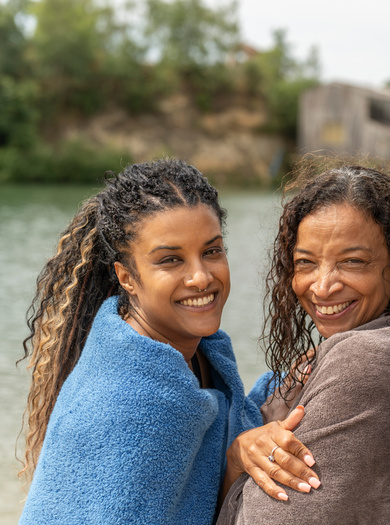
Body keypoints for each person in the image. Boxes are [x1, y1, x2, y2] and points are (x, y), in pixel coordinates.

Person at [19, 158, 319, 524]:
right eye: (170, 260)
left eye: (211, 251)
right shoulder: (130, 404)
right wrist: (237, 455)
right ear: (127, 277)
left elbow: (198, 474)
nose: (200, 277)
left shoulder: (199, 351)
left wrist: (284, 390)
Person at [217, 161, 390, 524]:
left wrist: (234, 462)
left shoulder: (366, 357)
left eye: (352, 262)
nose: (322, 287)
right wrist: (238, 453)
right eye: (305, 263)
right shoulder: (359, 348)